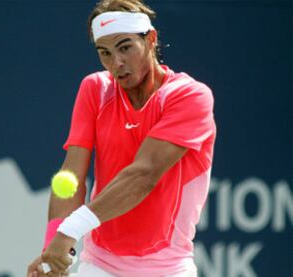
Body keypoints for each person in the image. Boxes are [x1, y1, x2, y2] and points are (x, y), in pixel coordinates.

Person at [27, 0, 216, 276]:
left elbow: (143, 175)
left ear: (150, 39)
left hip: (169, 268)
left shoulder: (189, 97)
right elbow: (72, 176)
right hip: (100, 264)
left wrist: (70, 230)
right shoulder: (95, 89)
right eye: (105, 53)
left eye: (125, 47)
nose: (116, 63)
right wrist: (52, 252)